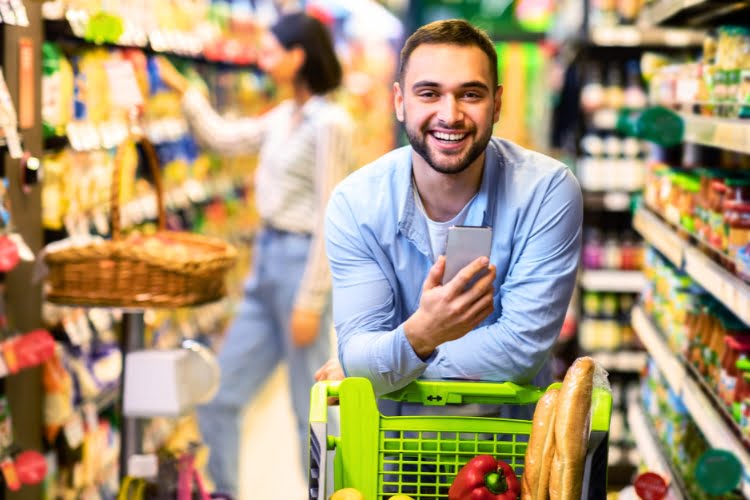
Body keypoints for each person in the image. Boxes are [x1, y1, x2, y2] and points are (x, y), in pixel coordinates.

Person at [317, 19, 582, 400]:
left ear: (498, 104)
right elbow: (357, 351)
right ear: (399, 102)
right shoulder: (356, 203)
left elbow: (520, 349)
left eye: (470, 94)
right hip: (392, 446)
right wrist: (419, 334)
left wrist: (394, 362)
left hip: (511, 442)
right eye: (429, 93)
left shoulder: (546, 191)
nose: (450, 115)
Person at [157, 11, 353, 496]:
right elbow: (224, 139)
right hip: (265, 263)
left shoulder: (331, 123)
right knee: (217, 395)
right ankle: (224, 491)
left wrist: (310, 299)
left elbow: (332, 213)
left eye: (270, 51)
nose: (262, 61)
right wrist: (189, 95)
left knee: (308, 409)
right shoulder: (283, 117)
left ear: (297, 57)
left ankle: (328, 493)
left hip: (299, 264)